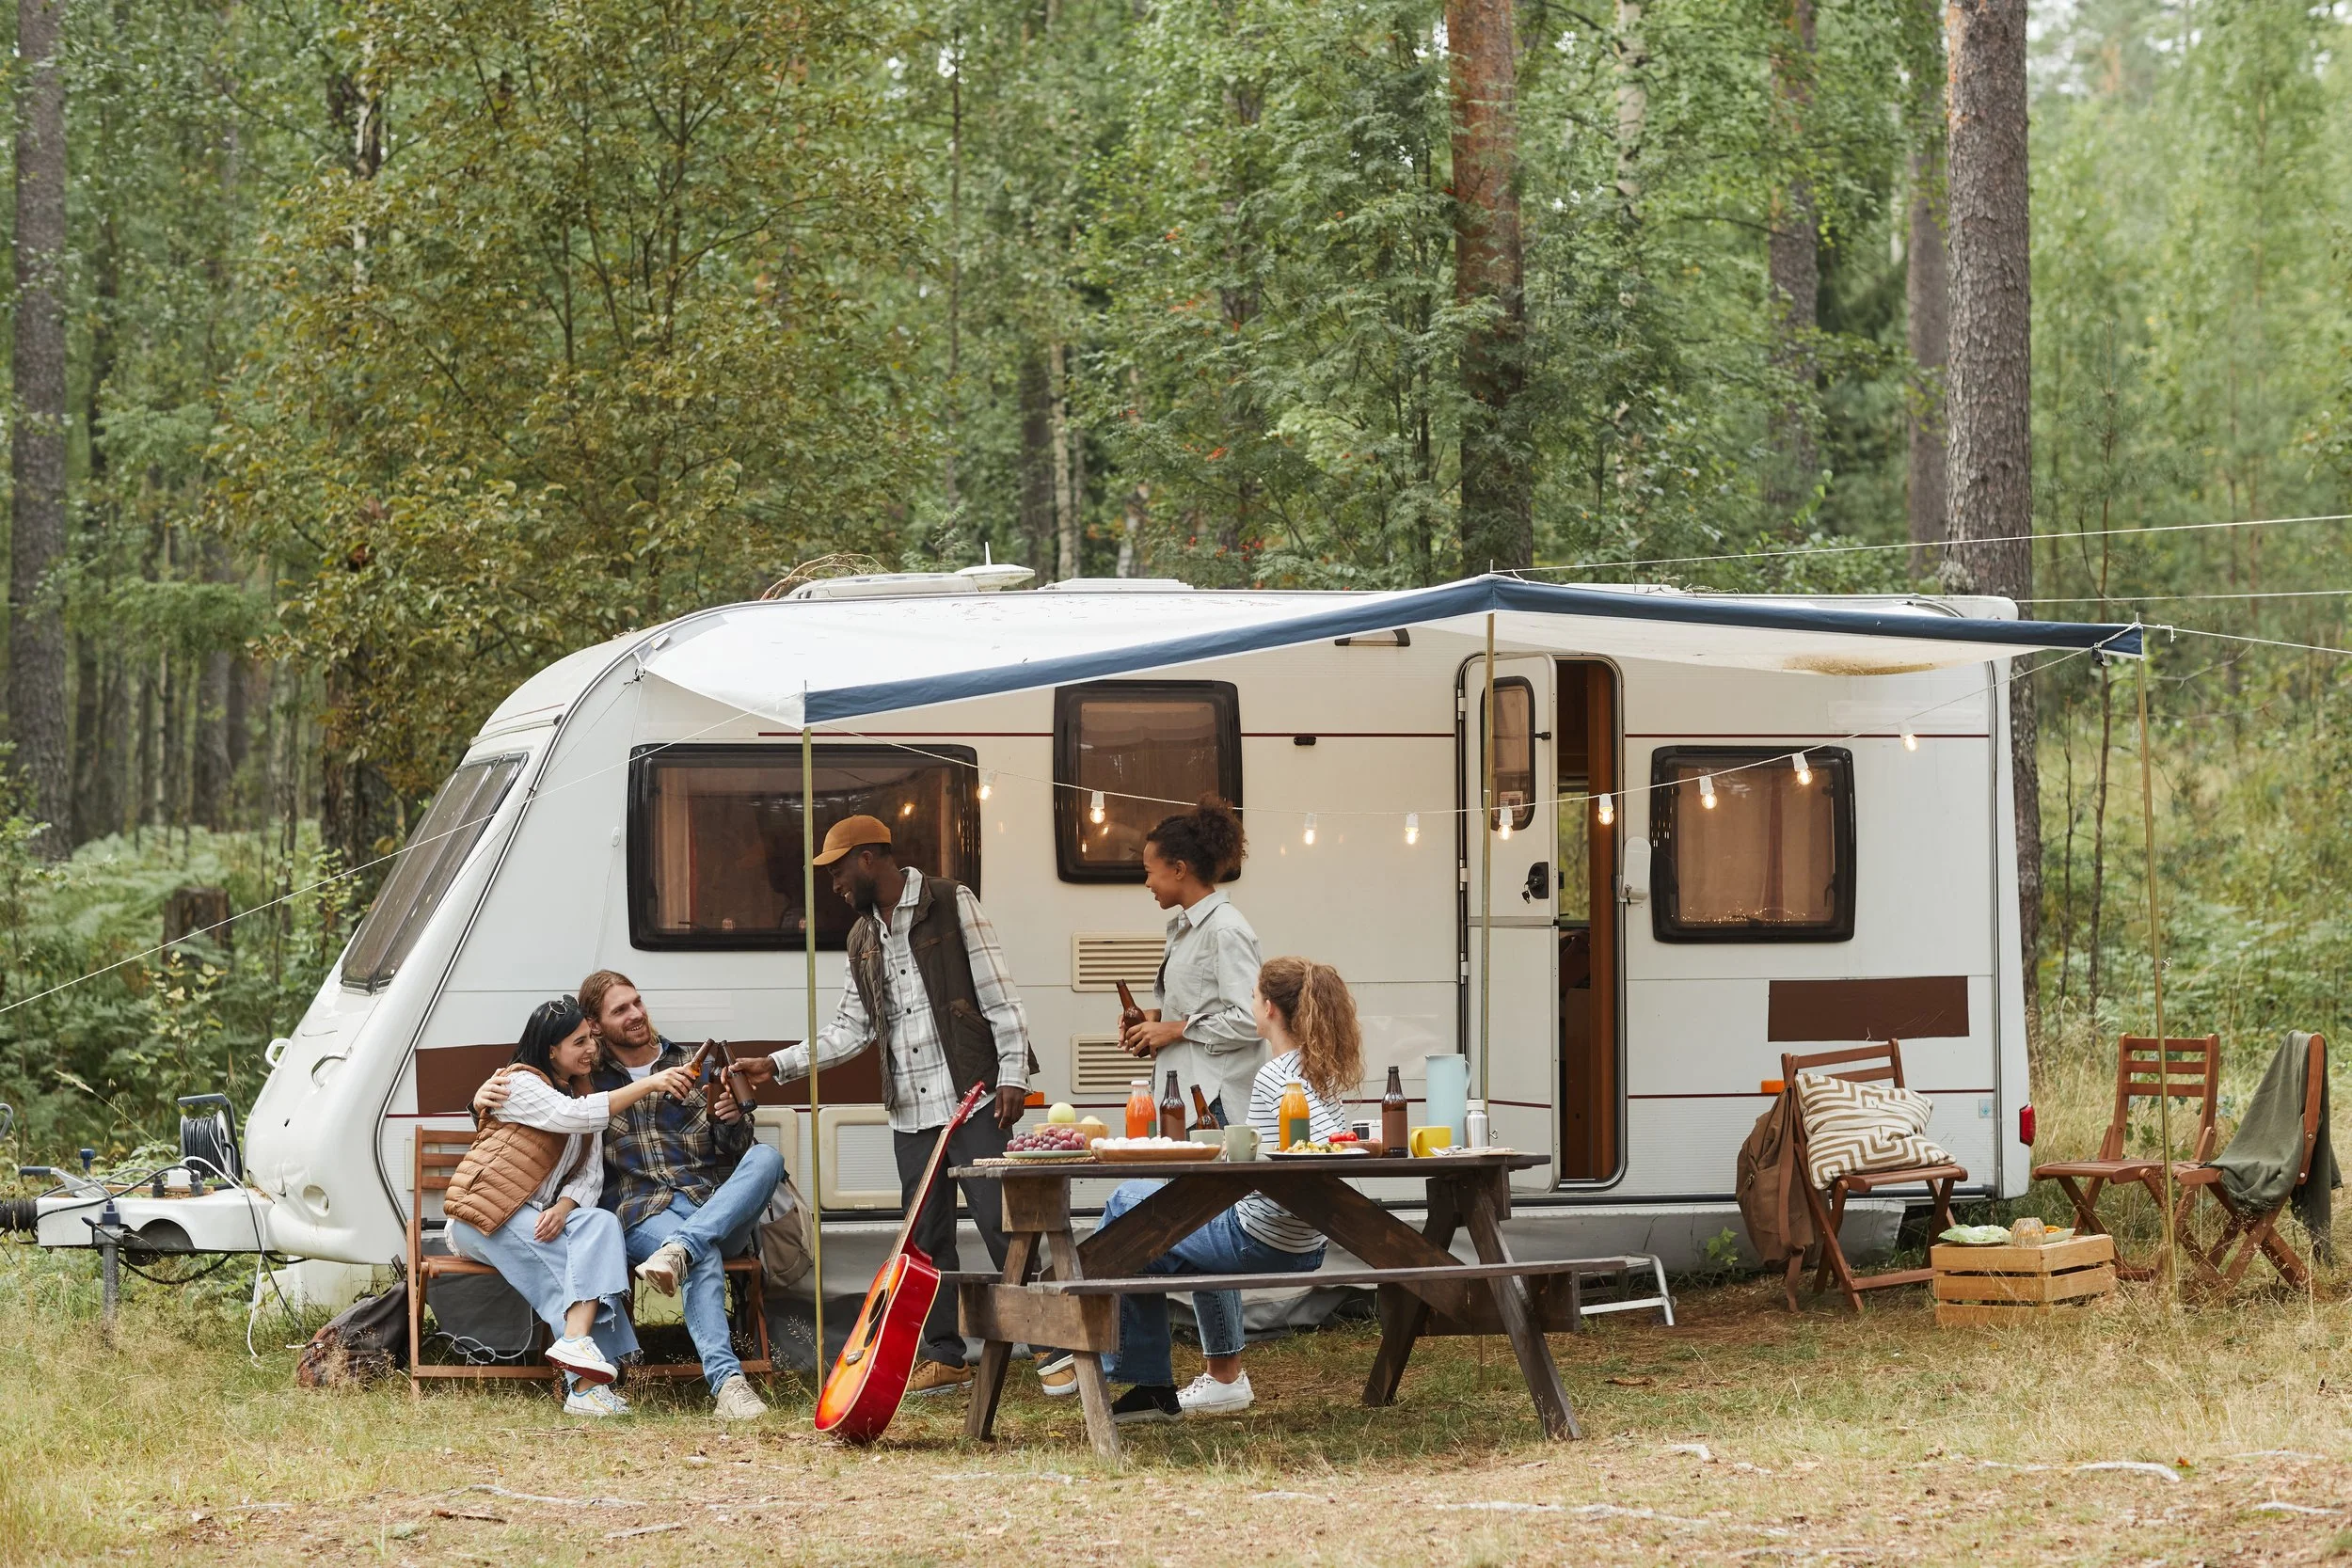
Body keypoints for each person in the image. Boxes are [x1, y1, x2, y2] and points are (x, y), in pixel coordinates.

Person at [734, 814, 1036, 1398]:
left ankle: (1054, 1348)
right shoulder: (861, 939)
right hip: (911, 1112)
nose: (835, 884)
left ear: (869, 858)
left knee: (1007, 1226)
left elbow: (1001, 994)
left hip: (971, 1098)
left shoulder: (950, 902)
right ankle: (947, 1356)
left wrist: (1014, 1074)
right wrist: (776, 1065)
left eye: (839, 869)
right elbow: (851, 1031)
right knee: (925, 1240)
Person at [475, 971, 787, 1422]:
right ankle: (729, 1385)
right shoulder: (588, 1077)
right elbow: (529, 1095)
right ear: (596, 1026)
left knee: (766, 1159)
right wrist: (478, 1100)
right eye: (621, 1009)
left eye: (637, 1002)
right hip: (642, 1212)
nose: (637, 1014)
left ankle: (682, 1248)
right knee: (704, 1257)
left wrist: (732, 1120)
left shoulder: (691, 1060)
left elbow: (736, 1151)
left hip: (710, 1205)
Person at [1100, 956, 1358, 1423]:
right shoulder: (1319, 1072)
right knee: (1166, 1238)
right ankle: (1209, 1379)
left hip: (1261, 1238)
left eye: (1255, 997)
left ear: (1271, 1011)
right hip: (1308, 1239)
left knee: (1127, 1209)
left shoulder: (1275, 1076)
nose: (1251, 1004)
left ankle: (1107, 1362)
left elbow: (1283, 1154)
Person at [444, 997, 698, 1418]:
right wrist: (650, 1084)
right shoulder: (518, 1084)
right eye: (578, 1042)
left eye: (590, 1040)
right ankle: (584, 1388)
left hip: (537, 1216)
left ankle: (577, 1345)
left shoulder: (583, 1092)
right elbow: (572, 1117)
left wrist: (565, 1207)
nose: (590, 1050)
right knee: (566, 1272)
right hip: (483, 1216)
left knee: (599, 1223)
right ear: (551, 1050)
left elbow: (589, 1177)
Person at [1119, 797, 1264, 1126]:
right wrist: (1156, 1018)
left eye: (1149, 872)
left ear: (1179, 870)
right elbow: (1204, 1005)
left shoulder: (1225, 929)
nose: (1147, 883)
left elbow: (1251, 1020)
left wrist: (1173, 1029)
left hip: (1215, 1104)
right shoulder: (1191, 928)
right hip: (1188, 1096)